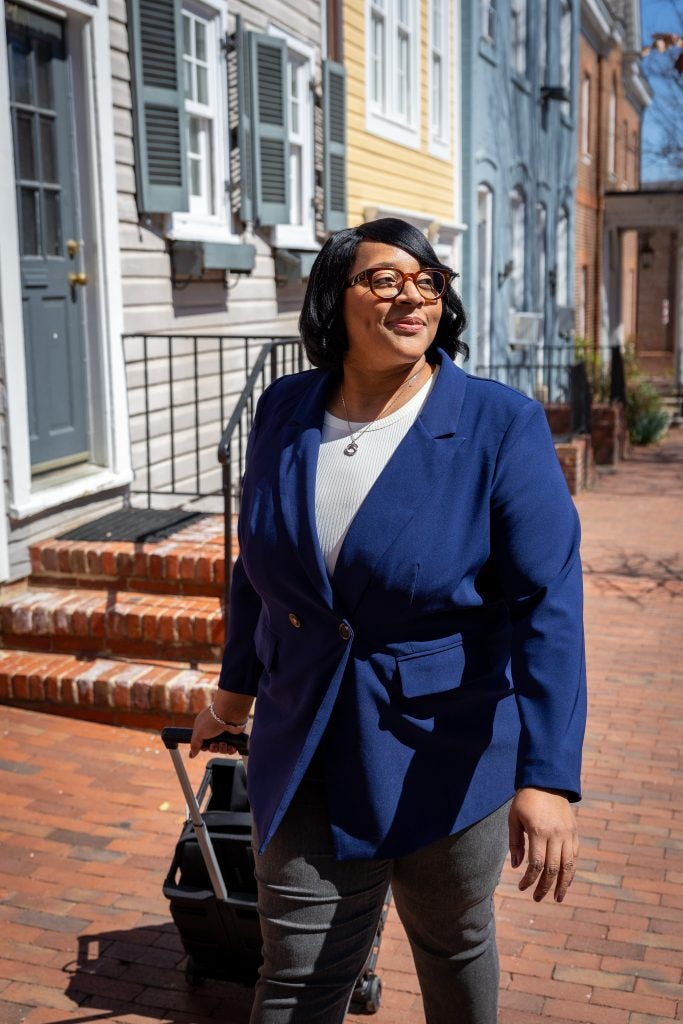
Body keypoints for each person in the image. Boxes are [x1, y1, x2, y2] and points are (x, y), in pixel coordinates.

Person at [189, 217, 586, 1024]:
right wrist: (233, 695)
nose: (412, 295)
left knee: (452, 944)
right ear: (335, 299)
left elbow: (546, 601)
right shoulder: (284, 408)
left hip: (444, 744)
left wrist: (546, 777)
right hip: (304, 737)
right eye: (384, 279)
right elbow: (258, 570)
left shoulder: (495, 422)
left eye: (429, 281)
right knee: (296, 973)